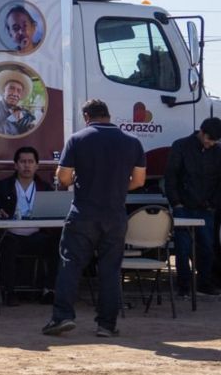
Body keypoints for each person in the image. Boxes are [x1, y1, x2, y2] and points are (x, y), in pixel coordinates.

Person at [43, 99, 146, 338]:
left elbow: (65, 179)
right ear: (108, 115)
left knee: (71, 264)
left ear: (87, 116)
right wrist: (117, 188)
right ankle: (106, 325)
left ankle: (63, 317)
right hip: (115, 215)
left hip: (83, 213)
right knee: (110, 270)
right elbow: (139, 181)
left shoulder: (78, 140)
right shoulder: (132, 143)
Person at [163, 117, 221, 298]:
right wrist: (176, 202)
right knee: (183, 248)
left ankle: (203, 283)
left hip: (203, 206)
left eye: (214, 140)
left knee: (206, 246)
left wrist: (212, 203)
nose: (211, 143)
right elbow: (171, 177)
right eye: (210, 139)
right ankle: (184, 284)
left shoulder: (215, 151)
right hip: (185, 205)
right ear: (202, 132)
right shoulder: (181, 146)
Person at [0, 146, 58, 306]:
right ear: (15, 165)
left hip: (36, 236)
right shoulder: (3, 186)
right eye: (23, 162)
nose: (27, 166)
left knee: (57, 244)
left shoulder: (44, 188)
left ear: (37, 165)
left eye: (31, 162)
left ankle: (49, 290)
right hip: (10, 235)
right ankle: (9, 292)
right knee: (7, 245)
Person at [0, 70, 38, 137]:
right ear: (4, 91)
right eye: (11, 88)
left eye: (19, 91)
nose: (15, 94)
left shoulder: (22, 110)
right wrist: (13, 119)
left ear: (20, 96)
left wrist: (29, 127)